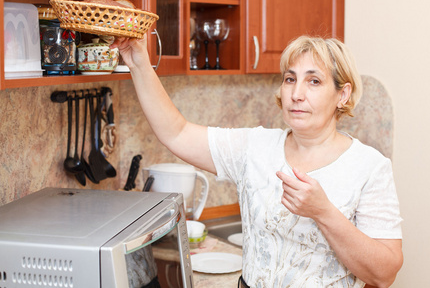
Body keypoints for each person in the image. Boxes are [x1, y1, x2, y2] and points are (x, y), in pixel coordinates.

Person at [111, 35, 403, 287]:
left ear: (343, 94)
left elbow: (384, 273)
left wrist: (323, 212)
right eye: (290, 79)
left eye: (314, 81)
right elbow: (177, 132)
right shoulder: (255, 147)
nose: (296, 94)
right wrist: (137, 61)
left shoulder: (369, 167)